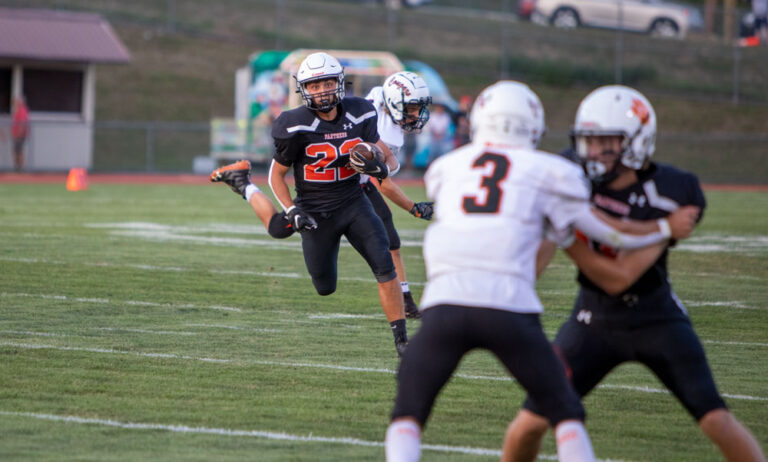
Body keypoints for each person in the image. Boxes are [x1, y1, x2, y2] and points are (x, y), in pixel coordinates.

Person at [384, 81, 697, 462]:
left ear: (481, 119)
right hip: (510, 307)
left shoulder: (445, 167)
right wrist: (665, 228)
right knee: (566, 415)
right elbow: (606, 230)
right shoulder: (552, 170)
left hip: (445, 305)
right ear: (533, 124)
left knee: (406, 417)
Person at [502, 85, 767, 462]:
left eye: (605, 142)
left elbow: (621, 276)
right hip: (592, 318)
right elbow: (538, 251)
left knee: (716, 420)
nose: (592, 152)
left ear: (638, 142)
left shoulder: (675, 191)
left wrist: (567, 234)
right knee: (529, 423)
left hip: (656, 316)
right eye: (589, 141)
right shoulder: (570, 174)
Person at [264, 51, 409, 357]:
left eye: (327, 83)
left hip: (353, 203)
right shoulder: (293, 124)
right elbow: (276, 176)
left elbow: (388, 158)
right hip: (315, 211)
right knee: (324, 286)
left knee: (385, 267)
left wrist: (380, 165)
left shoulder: (361, 112)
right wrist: (292, 209)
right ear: (304, 90)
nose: (322, 91)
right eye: (314, 86)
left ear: (339, 82)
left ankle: (402, 341)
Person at [363, 70, 435, 319]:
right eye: (412, 107)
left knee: (391, 243)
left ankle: (405, 301)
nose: (417, 114)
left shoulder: (379, 101)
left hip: (358, 184)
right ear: (393, 103)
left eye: (418, 107)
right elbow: (382, 181)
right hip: (340, 186)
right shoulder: (383, 131)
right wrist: (413, 207)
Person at [11, 96, 29, 172]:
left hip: (20, 136)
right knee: (16, 151)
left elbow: (22, 124)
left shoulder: (22, 110)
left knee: (19, 151)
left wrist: (19, 134)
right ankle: (18, 168)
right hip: (17, 135)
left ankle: (20, 169)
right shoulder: (18, 110)